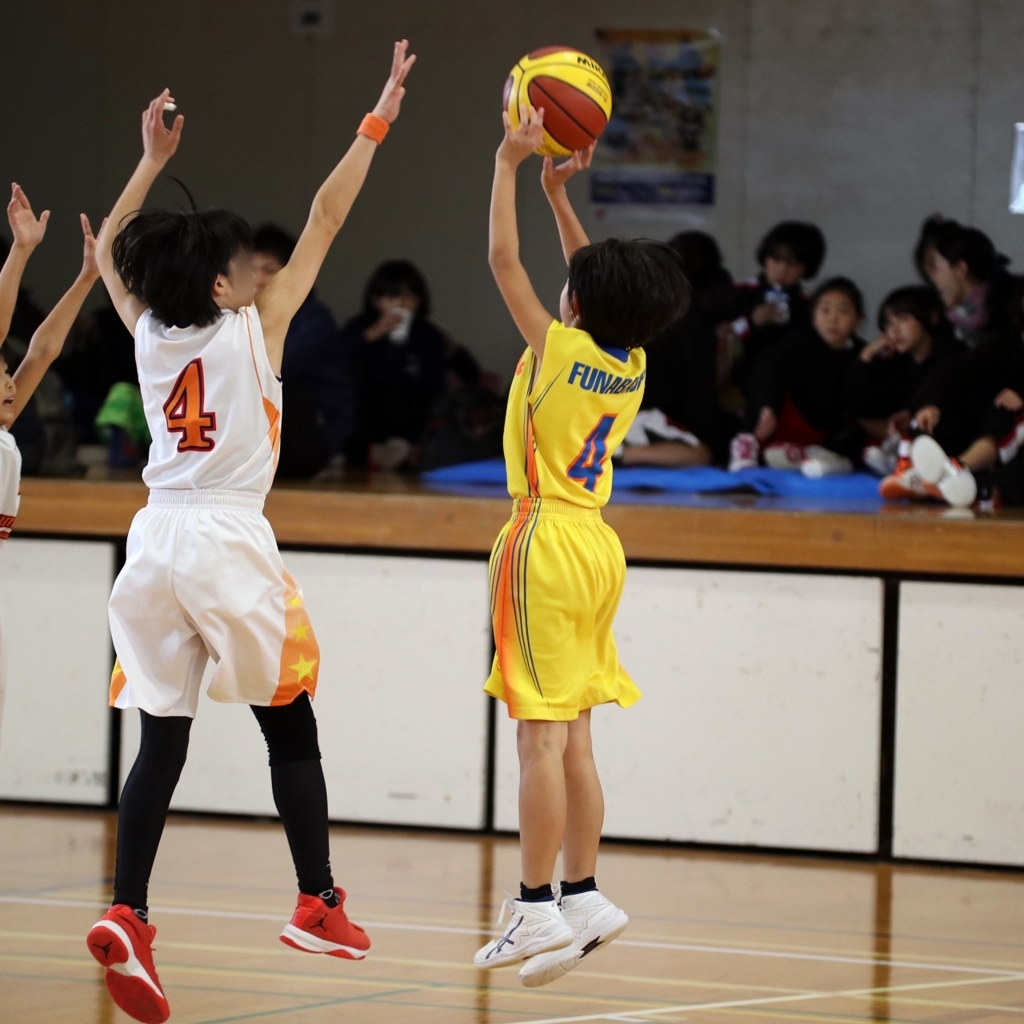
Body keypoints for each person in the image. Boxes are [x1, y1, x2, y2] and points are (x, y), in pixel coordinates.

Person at [84, 42, 414, 1024]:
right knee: (290, 716)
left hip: (152, 543)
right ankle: (316, 898)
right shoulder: (257, 325)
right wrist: (377, 117)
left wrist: (148, 159)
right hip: (228, 538)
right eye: (243, 264)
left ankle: (129, 910)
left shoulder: (149, 331)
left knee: (161, 738)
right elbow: (327, 216)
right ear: (224, 286)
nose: (257, 269)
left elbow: (109, 251)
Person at [476, 110, 688, 988]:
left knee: (536, 740)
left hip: (541, 540)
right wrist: (561, 194)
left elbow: (502, 263)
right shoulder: (632, 359)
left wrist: (508, 163)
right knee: (577, 741)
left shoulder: (555, 348)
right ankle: (584, 893)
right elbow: (593, 281)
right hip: (599, 545)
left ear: (575, 307)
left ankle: (532, 907)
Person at [1, 186, 103, 728]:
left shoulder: (5, 429)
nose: (10, 383)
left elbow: (41, 350)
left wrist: (88, 276)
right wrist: (20, 254)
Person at [729, 277, 866, 477]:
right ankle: (748, 442)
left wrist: (868, 360)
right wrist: (769, 406)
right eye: (825, 310)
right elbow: (769, 368)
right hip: (789, 421)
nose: (832, 319)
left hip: (827, 431)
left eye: (843, 312)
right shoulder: (798, 342)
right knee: (766, 375)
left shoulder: (862, 353)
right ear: (813, 316)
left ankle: (815, 457)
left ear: (858, 321)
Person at [627, 230, 736, 468]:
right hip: (644, 412)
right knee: (706, 452)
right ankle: (618, 455)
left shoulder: (651, 306)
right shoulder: (691, 318)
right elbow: (701, 391)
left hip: (636, 408)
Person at [252, 223, 353, 478]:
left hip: (317, 430)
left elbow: (276, 369)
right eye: (251, 270)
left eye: (269, 270)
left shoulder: (314, 319)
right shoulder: (243, 318)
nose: (258, 279)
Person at [340, 259, 448, 469]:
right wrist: (374, 333)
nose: (401, 304)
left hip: (410, 419)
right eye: (392, 296)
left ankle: (399, 450)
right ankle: (370, 451)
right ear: (376, 300)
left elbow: (435, 387)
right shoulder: (361, 327)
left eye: (408, 296)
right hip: (364, 415)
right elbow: (334, 357)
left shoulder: (427, 334)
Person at [847, 286, 962, 476]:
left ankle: (908, 463)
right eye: (889, 324)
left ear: (931, 317)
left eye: (902, 319)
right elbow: (861, 404)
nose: (894, 330)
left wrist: (911, 412)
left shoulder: (951, 352)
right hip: (908, 431)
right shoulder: (899, 361)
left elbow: (942, 393)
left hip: (946, 432)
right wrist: (867, 355)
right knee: (856, 426)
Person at [728, 220, 826, 394]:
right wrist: (751, 322)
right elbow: (720, 337)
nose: (782, 269)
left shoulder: (811, 304)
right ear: (765, 257)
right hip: (741, 385)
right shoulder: (739, 292)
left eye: (793, 263)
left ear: (806, 269)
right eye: (776, 259)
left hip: (794, 387)